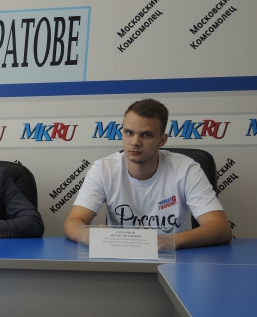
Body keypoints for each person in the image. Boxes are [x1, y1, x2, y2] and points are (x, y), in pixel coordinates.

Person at [64, 98, 232, 249]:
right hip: (121, 258)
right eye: (129, 132)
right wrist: (90, 236)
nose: (135, 142)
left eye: (146, 135)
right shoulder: (103, 169)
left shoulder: (186, 169)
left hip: (176, 261)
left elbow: (221, 228)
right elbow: (73, 222)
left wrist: (173, 240)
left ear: (162, 140)